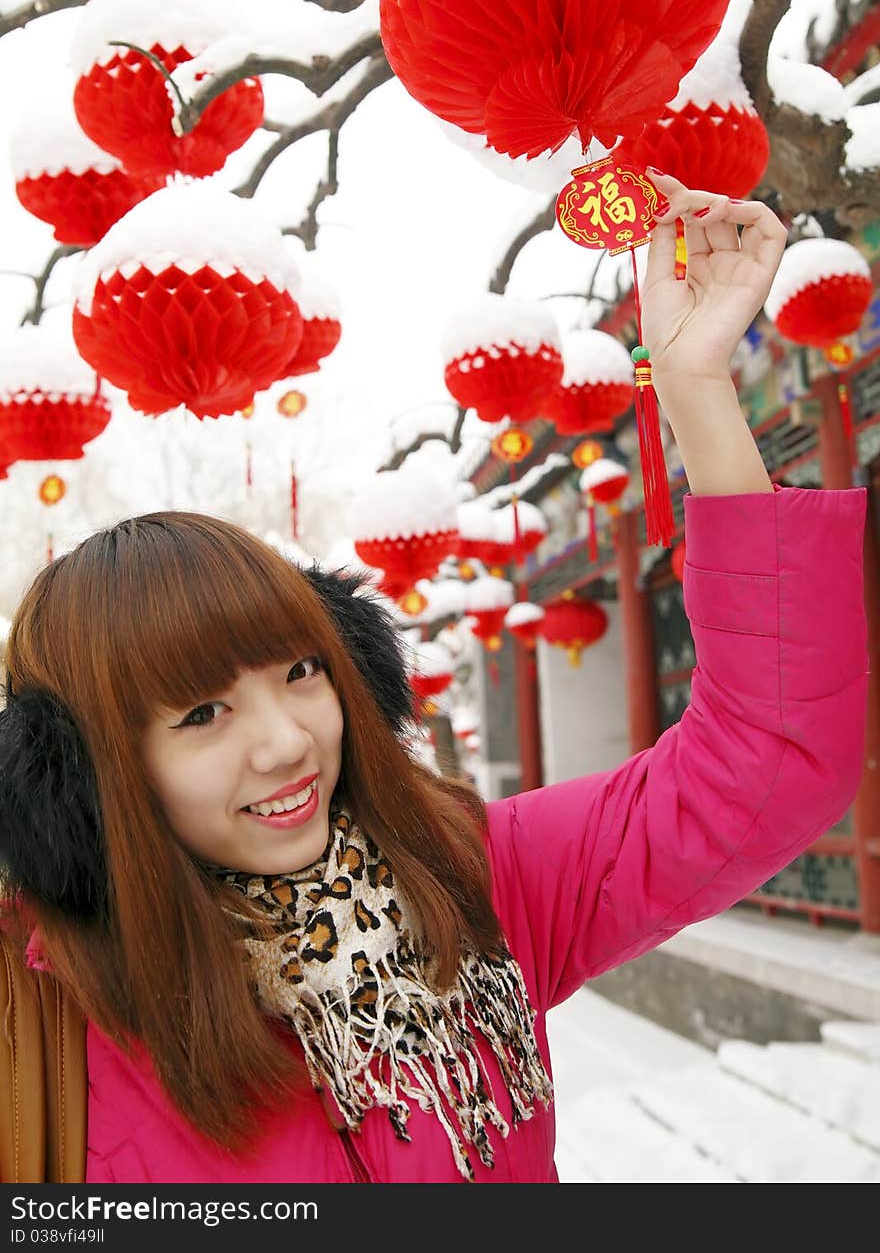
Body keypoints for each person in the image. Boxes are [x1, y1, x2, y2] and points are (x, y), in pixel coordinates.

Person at [0, 174, 869, 1184]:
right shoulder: (53, 1013)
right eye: (202, 713)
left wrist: (693, 391)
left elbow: (767, 761)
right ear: (81, 775)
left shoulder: (471, 879)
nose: (285, 741)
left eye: (300, 671)